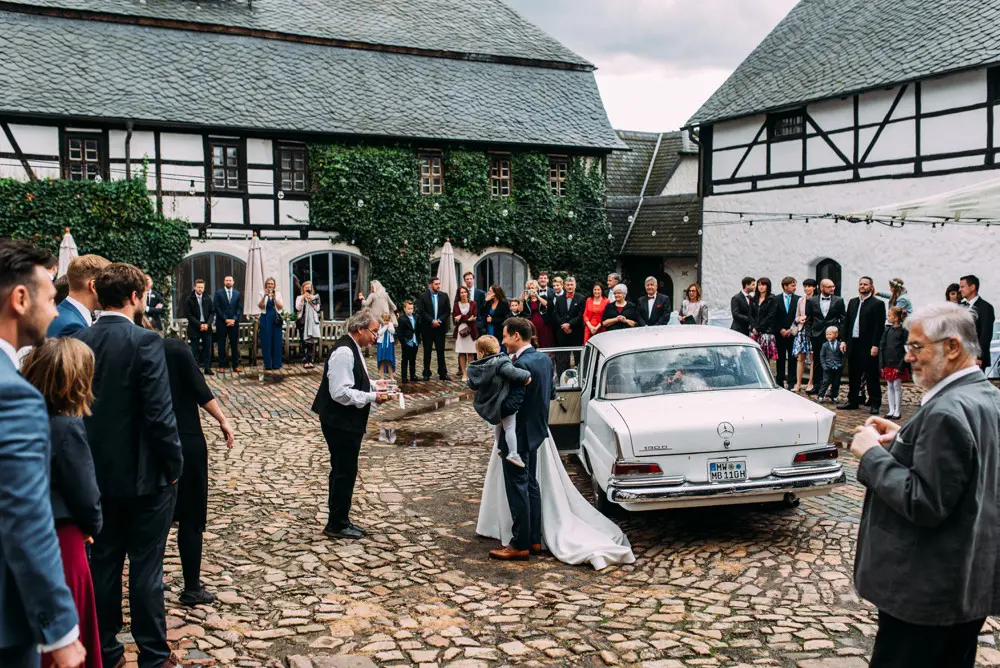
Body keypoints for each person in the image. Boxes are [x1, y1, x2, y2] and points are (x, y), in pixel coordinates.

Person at [850, 302, 1000, 668]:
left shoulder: (947, 410)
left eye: (917, 347)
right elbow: (966, 464)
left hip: (926, 589)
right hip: (966, 583)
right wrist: (906, 438)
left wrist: (870, 455)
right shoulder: (987, 397)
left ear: (952, 347)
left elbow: (925, 501)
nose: (908, 357)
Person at [74, 263, 183, 668]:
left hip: (95, 476)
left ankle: (107, 651)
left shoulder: (80, 339)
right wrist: (173, 464)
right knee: (145, 566)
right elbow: (159, 412)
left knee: (103, 565)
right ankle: (153, 655)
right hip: (145, 477)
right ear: (136, 298)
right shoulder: (145, 341)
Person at [477, 317, 635, 569]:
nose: (503, 341)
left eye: (505, 336)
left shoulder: (518, 366)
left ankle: (519, 545)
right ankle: (535, 539)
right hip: (538, 431)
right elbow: (550, 395)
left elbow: (511, 403)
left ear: (517, 336)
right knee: (531, 485)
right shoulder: (542, 360)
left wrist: (491, 410)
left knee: (517, 488)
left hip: (518, 434)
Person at [0, 241, 86, 668]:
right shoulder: (13, 394)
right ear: (20, 299)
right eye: (51, 299)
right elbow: (25, 515)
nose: (55, 312)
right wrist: (61, 629)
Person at [21, 339, 103, 668]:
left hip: (34, 536)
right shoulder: (67, 428)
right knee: (70, 625)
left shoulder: (27, 420)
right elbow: (86, 495)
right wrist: (92, 526)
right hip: (65, 540)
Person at [159, 327, 234, 607]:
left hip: (151, 442)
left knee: (158, 518)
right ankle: (191, 587)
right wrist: (223, 420)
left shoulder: (138, 350)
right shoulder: (177, 349)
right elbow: (201, 391)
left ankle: (152, 579)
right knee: (190, 518)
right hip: (186, 440)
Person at [311, 309, 391, 539]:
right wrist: (372, 397)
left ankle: (340, 519)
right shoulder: (344, 352)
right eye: (374, 332)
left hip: (345, 420)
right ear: (360, 330)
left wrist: (376, 384)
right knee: (343, 471)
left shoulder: (353, 348)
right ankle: (336, 523)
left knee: (347, 469)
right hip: (339, 421)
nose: (376, 336)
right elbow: (340, 393)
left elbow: (357, 380)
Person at [466, 334, 531, 468]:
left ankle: (500, 447)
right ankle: (513, 453)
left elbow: (472, 385)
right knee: (509, 427)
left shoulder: (475, 367)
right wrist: (526, 376)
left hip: (489, 404)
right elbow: (513, 372)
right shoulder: (500, 361)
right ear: (495, 348)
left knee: (498, 425)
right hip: (502, 401)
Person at [839, 276, 887, 414]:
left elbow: (879, 326)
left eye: (865, 284)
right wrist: (843, 340)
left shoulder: (877, 304)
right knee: (853, 373)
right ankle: (853, 400)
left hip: (868, 343)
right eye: (861, 284)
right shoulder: (853, 302)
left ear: (871, 287)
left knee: (871, 374)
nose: (862, 286)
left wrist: (875, 345)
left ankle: (875, 402)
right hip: (853, 342)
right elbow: (847, 322)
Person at [47, 255, 110, 338]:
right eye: (108, 285)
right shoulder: (74, 326)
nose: (111, 291)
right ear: (93, 286)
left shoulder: (58, 313)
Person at [805, 279, 846, 397]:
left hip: (833, 336)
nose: (833, 289)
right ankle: (817, 386)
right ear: (822, 288)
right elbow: (809, 319)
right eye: (829, 287)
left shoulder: (839, 301)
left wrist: (841, 336)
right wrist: (809, 334)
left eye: (833, 286)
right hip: (817, 335)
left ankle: (832, 389)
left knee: (834, 361)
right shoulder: (812, 301)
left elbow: (843, 319)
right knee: (818, 361)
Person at [960, 274, 995, 372]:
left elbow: (985, 335)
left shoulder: (985, 307)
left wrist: (979, 357)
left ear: (972, 287)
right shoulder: (962, 307)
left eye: (962, 286)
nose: (960, 290)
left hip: (974, 358)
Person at [880, 306, 910, 420]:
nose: (888, 317)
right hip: (888, 362)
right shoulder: (887, 330)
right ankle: (891, 409)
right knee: (889, 386)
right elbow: (882, 346)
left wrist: (900, 365)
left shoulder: (903, 331)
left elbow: (906, 349)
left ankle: (897, 410)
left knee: (897, 386)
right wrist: (882, 363)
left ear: (897, 317)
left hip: (897, 363)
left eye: (890, 315)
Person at [418, 277, 450, 381]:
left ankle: (442, 373)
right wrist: (432, 321)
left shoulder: (444, 296)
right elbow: (422, 312)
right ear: (431, 285)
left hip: (440, 328)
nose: (438, 286)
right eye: (436, 284)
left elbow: (447, 311)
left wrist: (439, 321)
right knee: (427, 351)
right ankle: (426, 372)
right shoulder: (423, 296)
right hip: (428, 328)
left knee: (441, 351)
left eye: (439, 284)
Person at [552, 276, 585, 373]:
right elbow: (555, 314)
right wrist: (564, 325)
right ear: (564, 286)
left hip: (576, 332)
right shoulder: (559, 299)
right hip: (562, 333)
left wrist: (570, 325)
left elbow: (581, 315)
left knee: (578, 358)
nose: (570, 287)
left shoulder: (581, 298)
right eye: (568, 285)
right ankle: (562, 379)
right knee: (562, 358)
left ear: (575, 285)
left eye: (571, 285)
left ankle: (580, 378)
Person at [792, 278, 817, 392]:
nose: (807, 288)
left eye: (809, 286)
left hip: (813, 331)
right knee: (800, 357)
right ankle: (798, 383)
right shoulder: (801, 300)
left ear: (814, 287)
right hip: (802, 331)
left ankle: (810, 382)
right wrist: (799, 319)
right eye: (805, 286)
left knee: (813, 358)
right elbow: (796, 316)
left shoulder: (817, 300)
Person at [774, 277, 800, 389]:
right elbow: (773, 316)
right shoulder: (775, 299)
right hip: (779, 333)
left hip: (792, 333)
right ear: (785, 286)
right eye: (792, 285)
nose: (795, 288)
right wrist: (781, 329)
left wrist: (791, 329)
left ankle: (791, 382)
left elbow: (799, 316)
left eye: (795, 285)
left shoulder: (799, 299)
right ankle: (779, 381)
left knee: (792, 358)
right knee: (780, 358)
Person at [185, 279, 215, 375]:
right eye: (198, 287)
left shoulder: (207, 298)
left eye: (202, 287)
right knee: (195, 349)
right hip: (195, 327)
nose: (200, 289)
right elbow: (188, 315)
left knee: (207, 348)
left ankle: (207, 368)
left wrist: (207, 324)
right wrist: (199, 324)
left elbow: (212, 312)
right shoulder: (189, 299)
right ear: (194, 287)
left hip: (206, 327)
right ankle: (196, 369)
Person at [213, 275, 242, 373]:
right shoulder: (218, 293)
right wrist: (225, 319)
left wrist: (234, 319)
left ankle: (236, 365)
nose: (228, 282)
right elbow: (217, 307)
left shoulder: (237, 294)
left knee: (234, 344)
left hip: (234, 323)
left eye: (230, 280)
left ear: (233, 282)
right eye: (227, 280)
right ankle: (221, 365)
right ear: (224, 282)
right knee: (221, 344)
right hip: (221, 323)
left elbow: (239, 308)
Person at [257, 277, 284, 372]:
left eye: (272, 284)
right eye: (268, 284)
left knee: (277, 341)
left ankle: (277, 363)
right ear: (266, 285)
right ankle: (267, 363)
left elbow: (280, 307)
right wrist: (265, 296)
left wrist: (274, 297)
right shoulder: (261, 293)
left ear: (274, 285)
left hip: (275, 320)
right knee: (266, 341)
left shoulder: (278, 294)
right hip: (265, 318)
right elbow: (260, 306)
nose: (270, 285)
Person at [452, 286, 478, 381]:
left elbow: (474, 316)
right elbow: (455, 318)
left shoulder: (473, 303)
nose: (463, 294)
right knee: (462, 353)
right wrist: (467, 318)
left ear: (467, 293)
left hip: (471, 331)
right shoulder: (456, 304)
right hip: (460, 331)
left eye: (464, 292)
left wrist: (461, 317)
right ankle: (464, 374)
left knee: (470, 353)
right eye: (461, 292)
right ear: (459, 294)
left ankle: (469, 373)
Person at [750, 277, 778, 361]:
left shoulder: (772, 299)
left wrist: (759, 328)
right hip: (754, 332)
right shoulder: (754, 299)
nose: (761, 287)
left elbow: (770, 316)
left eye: (763, 285)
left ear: (768, 286)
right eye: (759, 285)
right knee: (753, 357)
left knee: (764, 357)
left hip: (766, 332)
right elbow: (750, 314)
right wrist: (754, 327)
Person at [296, 281, 321, 370]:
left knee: (311, 341)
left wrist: (311, 301)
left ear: (311, 288)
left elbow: (317, 309)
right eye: (305, 287)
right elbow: (298, 308)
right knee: (304, 341)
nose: (307, 289)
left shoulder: (315, 297)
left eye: (309, 287)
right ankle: (305, 361)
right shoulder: (299, 297)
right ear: (303, 289)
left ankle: (310, 360)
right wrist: (303, 298)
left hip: (312, 322)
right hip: (302, 322)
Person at [521, 279, 553, 348]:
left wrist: (537, 296)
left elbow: (546, 304)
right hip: (530, 324)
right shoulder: (527, 300)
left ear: (536, 288)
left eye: (533, 288)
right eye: (529, 288)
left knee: (544, 342)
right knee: (533, 342)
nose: (531, 290)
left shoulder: (542, 297)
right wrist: (522, 300)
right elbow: (520, 310)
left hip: (543, 324)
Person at [816, 326, 843, 403]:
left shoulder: (840, 345)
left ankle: (834, 396)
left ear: (836, 334)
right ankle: (821, 395)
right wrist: (824, 366)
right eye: (827, 334)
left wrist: (841, 364)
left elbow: (842, 356)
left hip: (837, 367)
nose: (828, 336)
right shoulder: (825, 345)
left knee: (836, 382)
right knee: (825, 381)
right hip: (827, 367)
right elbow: (822, 356)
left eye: (830, 334)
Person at [397, 300, 419, 384]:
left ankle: (413, 375)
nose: (410, 310)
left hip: (414, 341)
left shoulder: (416, 317)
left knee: (413, 359)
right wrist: (404, 342)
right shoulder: (402, 319)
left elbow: (417, 328)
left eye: (412, 308)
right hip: (407, 342)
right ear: (405, 309)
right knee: (405, 360)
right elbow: (399, 332)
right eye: (409, 308)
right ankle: (404, 377)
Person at [375, 312, 395, 380]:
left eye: (387, 320)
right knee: (382, 361)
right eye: (384, 320)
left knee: (389, 361)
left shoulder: (391, 324)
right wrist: (385, 327)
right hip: (381, 344)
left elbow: (393, 331)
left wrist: (388, 327)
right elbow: (379, 333)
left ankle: (391, 377)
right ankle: (381, 377)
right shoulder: (380, 325)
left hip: (389, 345)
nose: (386, 322)